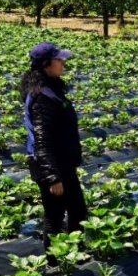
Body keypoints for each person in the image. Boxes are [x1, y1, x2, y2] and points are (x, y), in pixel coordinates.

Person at [22, 41, 87, 249]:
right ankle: (55, 262)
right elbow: (42, 140)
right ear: (46, 64)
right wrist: (52, 177)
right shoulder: (42, 96)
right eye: (59, 59)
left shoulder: (51, 88)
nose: (63, 62)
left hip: (61, 162)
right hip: (52, 165)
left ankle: (74, 252)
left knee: (77, 210)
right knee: (55, 216)